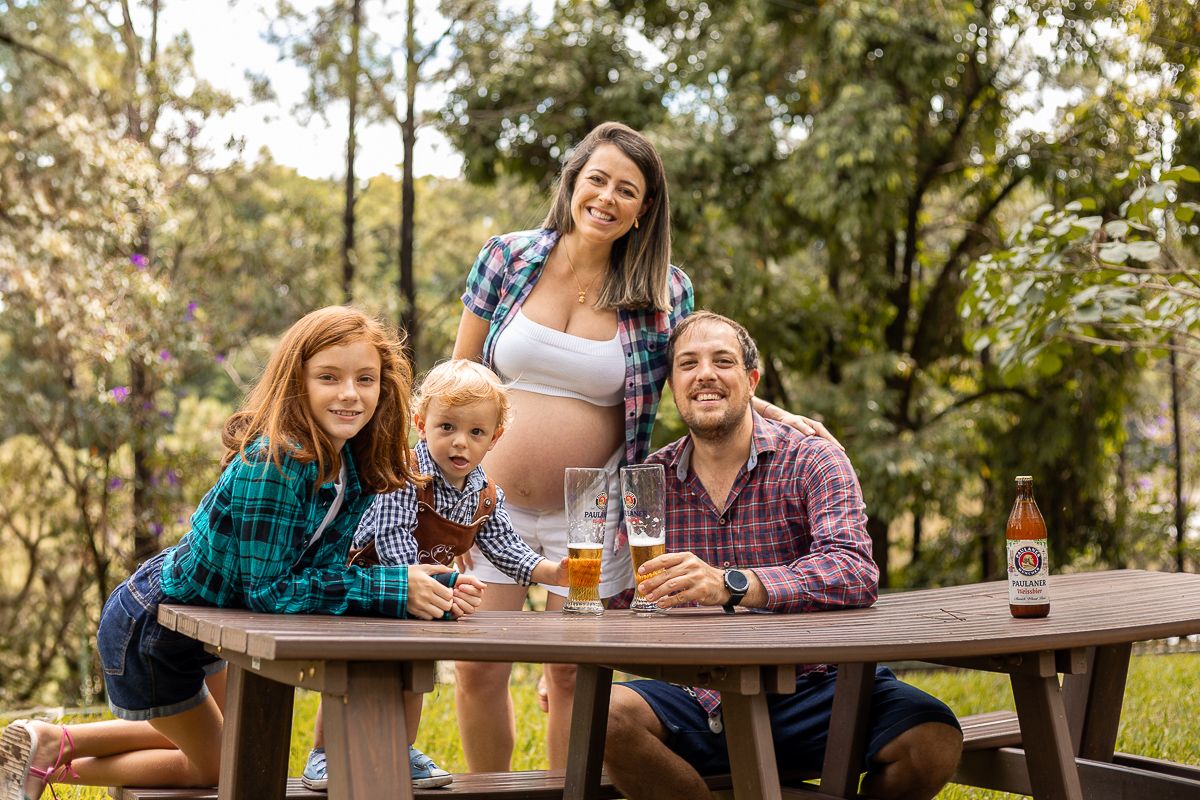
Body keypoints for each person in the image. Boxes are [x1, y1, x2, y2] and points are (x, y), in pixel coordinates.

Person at [451, 121, 839, 771]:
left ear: (645, 209)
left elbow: (700, 372)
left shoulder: (664, 290)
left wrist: (770, 409)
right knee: (476, 669)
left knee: (574, 676)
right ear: (573, 182)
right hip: (491, 509)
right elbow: (456, 375)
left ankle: (562, 795)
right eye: (596, 180)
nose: (607, 198)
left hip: (590, 516)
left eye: (626, 190)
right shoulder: (507, 258)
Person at [0, 306, 484, 800]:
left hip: (209, 626)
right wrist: (392, 588)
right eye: (328, 377)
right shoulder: (275, 461)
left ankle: (47, 743)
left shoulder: (349, 466)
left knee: (241, 741)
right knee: (213, 766)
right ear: (297, 382)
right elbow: (269, 591)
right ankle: (48, 760)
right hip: (156, 629)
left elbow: (322, 572)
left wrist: (420, 583)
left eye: (366, 378)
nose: (349, 394)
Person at [603, 311, 964, 800]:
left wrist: (735, 584)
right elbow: (629, 594)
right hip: (697, 693)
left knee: (933, 739)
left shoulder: (814, 458)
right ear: (672, 386)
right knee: (607, 717)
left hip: (818, 686)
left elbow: (853, 570)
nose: (705, 373)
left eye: (722, 361)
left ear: (751, 380)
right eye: (687, 364)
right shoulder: (650, 478)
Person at [300, 359, 568, 791]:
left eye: (476, 433)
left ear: (494, 438)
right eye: (447, 427)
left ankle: (402, 748)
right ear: (423, 423)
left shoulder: (483, 492)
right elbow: (390, 536)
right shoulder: (403, 474)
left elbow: (504, 546)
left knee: (414, 675)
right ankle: (323, 752)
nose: (460, 442)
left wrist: (552, 570)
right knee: (352, 670)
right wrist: (433, 583)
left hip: (418, 599)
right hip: (371, 586)